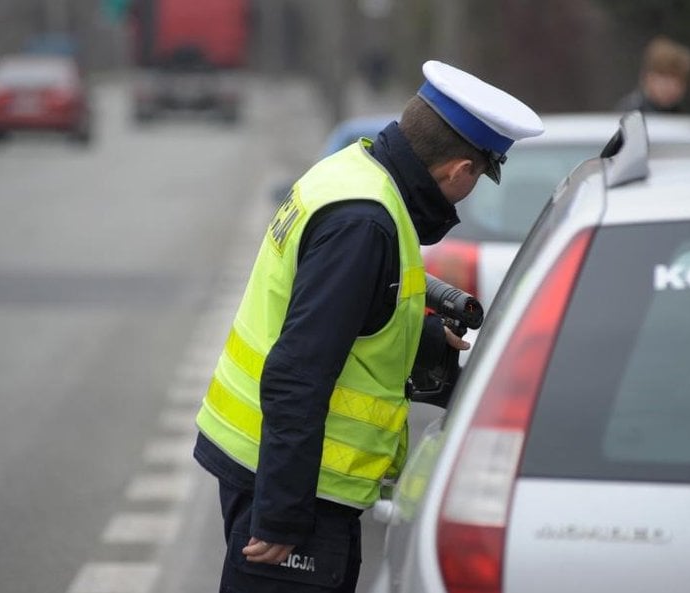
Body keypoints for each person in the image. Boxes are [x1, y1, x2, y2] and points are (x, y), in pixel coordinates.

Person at [192, 59, 543, 593]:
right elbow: (297, 371)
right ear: (460, 171)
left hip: (274, 467)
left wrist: (420, 338)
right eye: (483, 172)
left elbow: (341, 313)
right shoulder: (365, 223)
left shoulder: (351, 175)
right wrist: (283, 516)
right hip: (296, 489)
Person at [616, 35, 690, 113]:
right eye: (666, 80)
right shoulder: (631, 111)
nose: (673, 88)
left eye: (679, 82)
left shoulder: (680, 113)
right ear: (648, 78)